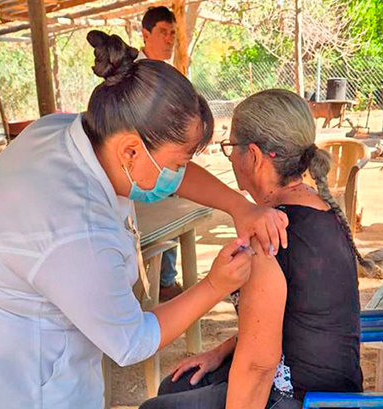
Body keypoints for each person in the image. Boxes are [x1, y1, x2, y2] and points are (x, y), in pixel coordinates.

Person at [0, 33, 288, 409]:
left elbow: (170, 169)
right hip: (23, 386)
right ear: (130, 150)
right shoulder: (76, 231)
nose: (179, 173)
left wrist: (240, 207)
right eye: (177, 163)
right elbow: (132, 341)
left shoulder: (65, 131)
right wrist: (214, 285)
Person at [139, 89, 364, 409]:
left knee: (154, 408)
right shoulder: (320, 209)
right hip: (326, 386)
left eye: (231, 147)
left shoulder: (269, 235)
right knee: (177, 385)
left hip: (303, 399)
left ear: (254, 157)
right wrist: (221, 352)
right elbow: (290, 320)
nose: (230, 157)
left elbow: (258, 368)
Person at [136, 6, 183, 301]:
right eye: (163, 32)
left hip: (166, 160)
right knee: (147, 225)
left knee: (170, 220)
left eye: (173, 33)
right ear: (145, 34)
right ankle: (149, 285)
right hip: (140, 164)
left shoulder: (168, 74)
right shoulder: (133, 73)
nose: (169, 39)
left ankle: (165, 281)